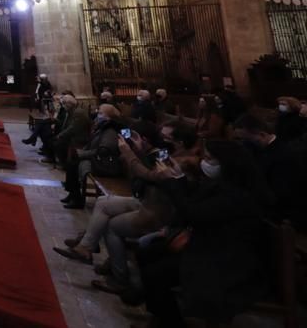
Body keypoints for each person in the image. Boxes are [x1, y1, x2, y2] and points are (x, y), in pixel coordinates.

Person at [53, 123, 197, 294]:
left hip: (157, 213)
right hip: (148, 201)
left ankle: (119, 277)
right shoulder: (170, 154)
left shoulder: (184, 163)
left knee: (112, 226)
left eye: (166, 137)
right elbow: (149, 172)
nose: (161, 140)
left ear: (179, 142)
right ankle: (86, 247)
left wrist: (129, 153)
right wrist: (138, 150)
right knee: (103, 202)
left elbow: (149, 175)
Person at [138, 141, 269, 327]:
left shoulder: (238, 196)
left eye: (209, 159)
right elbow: (194, 204)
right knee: (147, 252)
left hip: (224, 263)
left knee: (155, 275)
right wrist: (179, 177)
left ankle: (170, 322)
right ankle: (159, 316)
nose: (204, 162)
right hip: (207, 248)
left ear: (227, 164)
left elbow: (193, 214)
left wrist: (171, 182)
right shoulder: (222, 185)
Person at [232, 112, 307, 230]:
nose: (244, 144)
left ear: (261, 134)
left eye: (246, 139)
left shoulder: (283, 156)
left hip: (283, 213)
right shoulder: (254, 148)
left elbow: (281, 195)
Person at [61, 104, 123, 209]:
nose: (97, 114)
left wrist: (83, 154)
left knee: (74, 163)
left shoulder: (110, 131)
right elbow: (93, 144)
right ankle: (73, 194)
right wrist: (82, 151)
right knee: (72, 161)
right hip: (100, 160)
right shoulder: (103, 127)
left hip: (106, 165)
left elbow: (104, 151)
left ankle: (76, 198)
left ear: (108, 117)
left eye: (100, 113)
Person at [48, 94, 90, 168]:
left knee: (58, 143)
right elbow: (68, 125)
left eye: (64, 104)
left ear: (69, 104)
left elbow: (73, 128)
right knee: (52, 138)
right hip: (73, 134)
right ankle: (60, 161)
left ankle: (64, 164)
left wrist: (60, 135)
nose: (63, 106)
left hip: (79, 137)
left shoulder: (78, 113)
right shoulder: (72, 111)